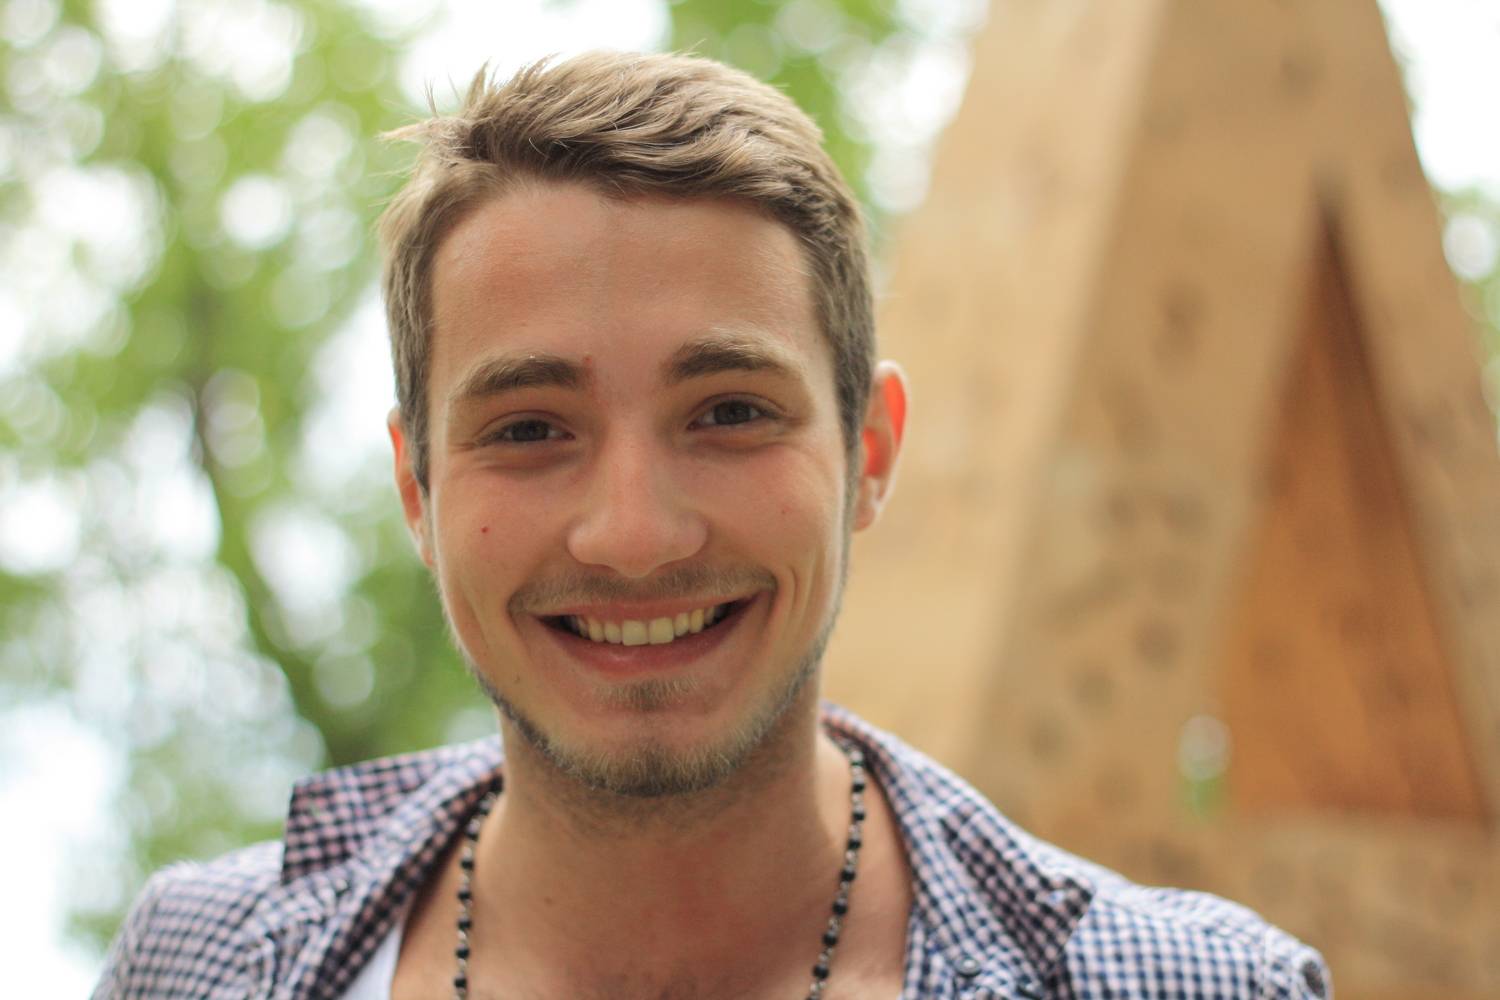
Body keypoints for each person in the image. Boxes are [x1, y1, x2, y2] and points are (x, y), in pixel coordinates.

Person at [93, 51, 1332, 999]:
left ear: (868, 452)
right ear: (418, 490)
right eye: (529, 428)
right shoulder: (198, 963)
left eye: (730, 411)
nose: (634, 535)